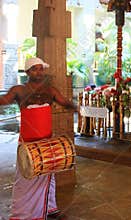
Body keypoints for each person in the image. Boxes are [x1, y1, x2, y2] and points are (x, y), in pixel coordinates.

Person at [0, 57, 76, 220]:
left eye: (41, 69)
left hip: (46, 141)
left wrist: (76, 108)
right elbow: (4, 100)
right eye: (35, 69)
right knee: (25, 178)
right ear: (27, 72)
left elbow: (64, 102)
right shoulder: (19, 90)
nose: (39, 72)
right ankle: (23, 213)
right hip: (28, 143)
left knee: (49, 175)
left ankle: (50, 207)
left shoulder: (51, 90)